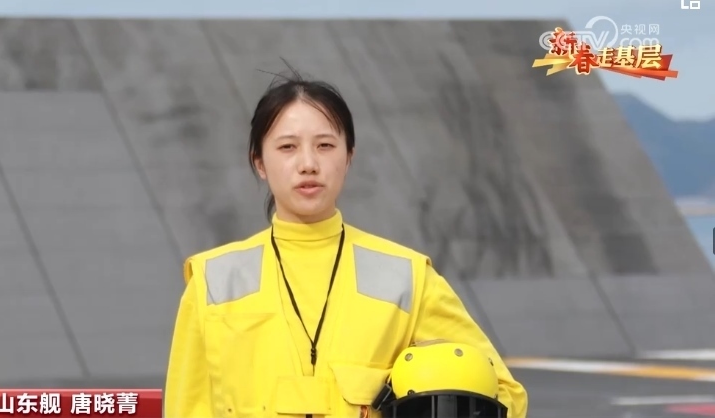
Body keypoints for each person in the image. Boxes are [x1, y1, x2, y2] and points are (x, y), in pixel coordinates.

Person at [163, 68, 528, 418]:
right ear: (259, 162)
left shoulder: (406, 278)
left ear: (349, 156)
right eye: (287, 147)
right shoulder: (213, 281)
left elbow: (505, 395)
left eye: (325, 145)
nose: (308, 164)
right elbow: (185, 408)